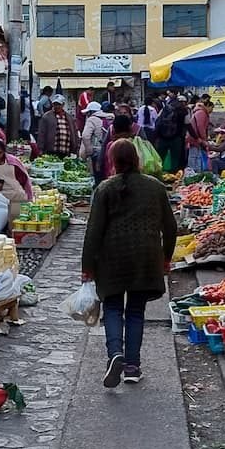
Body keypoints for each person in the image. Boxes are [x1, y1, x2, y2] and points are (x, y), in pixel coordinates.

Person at [81, 140, 178, 387]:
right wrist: (166, 257)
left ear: (113, 161)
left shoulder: (104, 189)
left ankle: (116, 354)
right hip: (145, 259)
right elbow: (170, 226)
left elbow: (93, 231)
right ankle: (132, 367)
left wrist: (87, 266)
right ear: (137, 159)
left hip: (111, 260)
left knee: (112, 309)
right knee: (136, 312)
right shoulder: (155, 187)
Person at [0, 139, 32, 220]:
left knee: (15, 220)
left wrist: (28, 194)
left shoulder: (13, 162)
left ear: (4, 152)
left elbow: (24, 179)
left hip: (15, 194)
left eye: (0, 153)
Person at [154, 95, 188, 171]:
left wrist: (155, 137)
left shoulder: (165, 109)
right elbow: (188, 125)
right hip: (176, 139)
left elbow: (157, 122)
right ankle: (174, 177)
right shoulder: (183, 110)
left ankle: (158, 175)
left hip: (162, 138)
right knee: (175, 160)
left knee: (159, 158)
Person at [101, 113, 137, 181]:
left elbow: (108, 166)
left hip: (113, 180)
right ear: (130, 127)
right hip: (134, 180)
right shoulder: (136, 143)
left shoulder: (110, 145)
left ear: (114, 129)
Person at [80, 101, 110, 177]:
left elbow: (85, 136)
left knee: (98, 176)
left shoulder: (92, 119)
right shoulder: (110, 117)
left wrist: (89, 151)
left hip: (97, 151)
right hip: (110, 149)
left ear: (91, 112)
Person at [186, 98, 213, 173]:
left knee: (196, 155)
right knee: (194, 155)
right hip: (195, 137)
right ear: (207, 106)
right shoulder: (201, 113)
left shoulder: (200, 112)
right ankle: (194, 172)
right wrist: (204, 139)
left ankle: (195, 171)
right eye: (212, 108)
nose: (212, 110)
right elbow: (200, 127)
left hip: (195, 137)